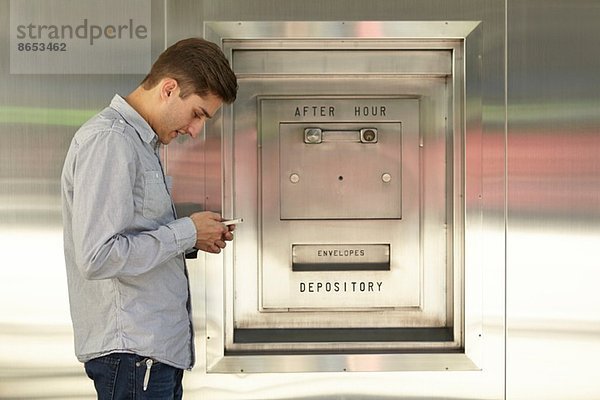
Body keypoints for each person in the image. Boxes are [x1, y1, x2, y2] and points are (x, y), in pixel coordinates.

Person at [61, 38, 238, 399]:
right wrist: (186, 232)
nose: (195, 130)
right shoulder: (111, 141)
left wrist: (194, 237)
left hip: (147, 356)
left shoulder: (140, 144)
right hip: (133, 357)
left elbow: (133, 236)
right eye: (198, 114)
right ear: (169, 89)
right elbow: (98, 256)